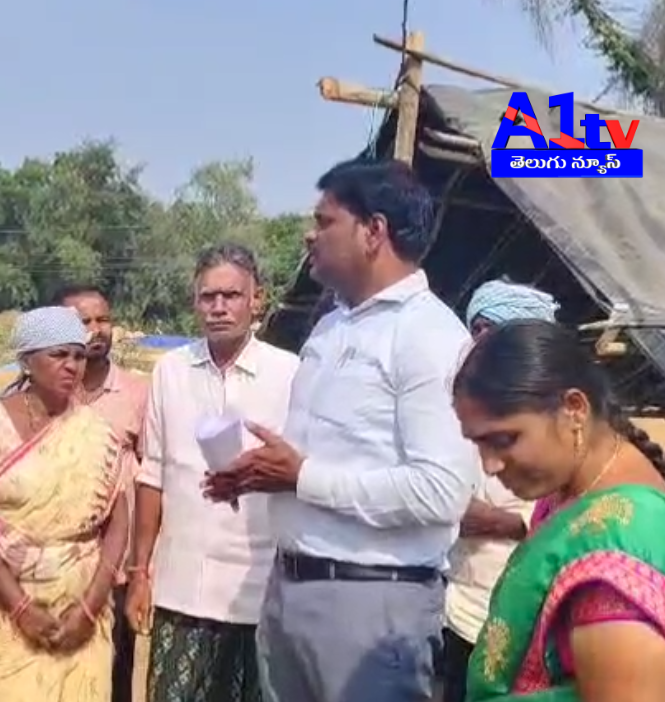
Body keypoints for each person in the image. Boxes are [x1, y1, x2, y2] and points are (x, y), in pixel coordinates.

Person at [204, 160, 480, 701]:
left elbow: (442, 492)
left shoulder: (427, 335)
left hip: (372, 605)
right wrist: (265, 474)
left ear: (373, 231)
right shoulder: (331, 327)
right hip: (289, 593)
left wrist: (302, 477)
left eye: (324, 220)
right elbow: (326, 459)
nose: (310, 234)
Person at [452, 320, 665, 702]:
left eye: (505, 439)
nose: (490, 464)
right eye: (478, 443)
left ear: (573, 409)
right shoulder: (578, 492)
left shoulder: (619, 558)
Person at [126, 243, 299, 702]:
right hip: (182, 589)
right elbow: (153, 474)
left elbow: (303, 474)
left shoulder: (289, 374)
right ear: (195, 301)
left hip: (260, 589)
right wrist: (140, 571)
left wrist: (262, 472)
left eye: (232, 295)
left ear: (256, 299)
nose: (219, 307)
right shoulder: (171, 371)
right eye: (208, 297)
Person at [0, 306, 131, 702]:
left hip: (83, 605)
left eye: (79, 355)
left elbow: (118, 522)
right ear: (26, 362)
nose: (72, 366)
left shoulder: (97, 432)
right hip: (6, 606)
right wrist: (21, 609)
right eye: (58, 355)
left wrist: (90, 607)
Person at [441, 279, 559, 702]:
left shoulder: (559, 420)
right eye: (476, 330)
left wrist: (506, 522)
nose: (479, 343)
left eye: (493, 331)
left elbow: (576, 514)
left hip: (527, 613)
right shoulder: (462, 407)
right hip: (459, 608)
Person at [50, 283, 148, 702]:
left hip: (118, 567)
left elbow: (150, 482)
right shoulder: (38, 398)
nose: (96, 329)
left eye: (103, 319)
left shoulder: (139, 394)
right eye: (83, 321)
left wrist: (144, 565)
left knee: (114, 672)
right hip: (54, 564)